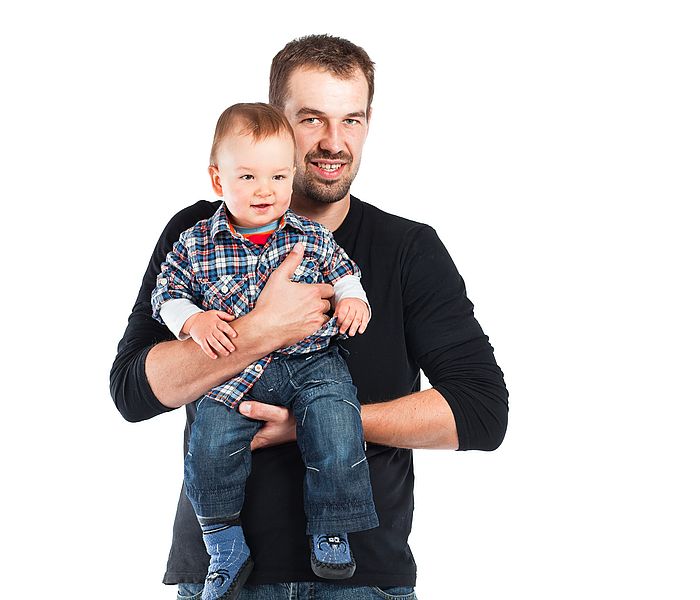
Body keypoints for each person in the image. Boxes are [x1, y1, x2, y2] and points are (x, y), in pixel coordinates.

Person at [110, 34, 508, 599]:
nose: (333, 142)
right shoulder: (198, 233)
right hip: (224, 581)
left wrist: (325, 421)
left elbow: (482, 413)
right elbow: (132, 391)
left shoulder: (408, 248)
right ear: (276, 123)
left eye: (352, 120)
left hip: (362, 581)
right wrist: (261, 330)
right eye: (312, 119)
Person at [151, 102, 378, 599]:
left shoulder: (309, 234)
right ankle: (224, 539)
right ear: (218, 181)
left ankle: (332, 526)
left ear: (292, 178)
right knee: (208, 443)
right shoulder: (195, 242)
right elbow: (165, 294)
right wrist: (192, 318)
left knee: (338, 420)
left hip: (312, 363)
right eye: (248, 176)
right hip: (235, 373)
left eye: (277, 176)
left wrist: (353, 299)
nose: (264, 190)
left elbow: (344, 273)